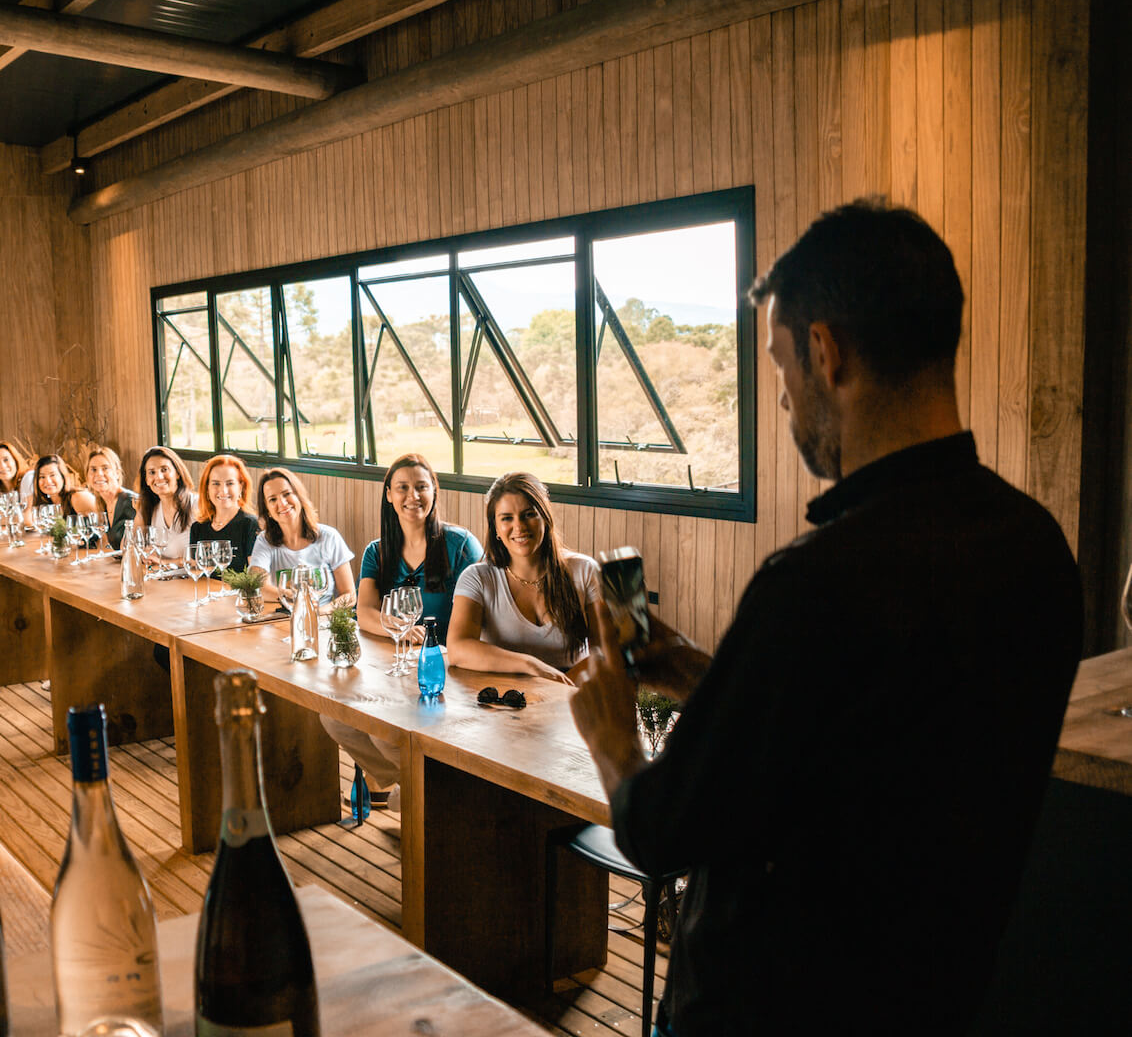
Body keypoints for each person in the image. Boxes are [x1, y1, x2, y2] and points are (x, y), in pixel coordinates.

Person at [568, 200, 1082, 1036]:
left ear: (824, 351)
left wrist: (612, 733)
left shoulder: (815, 585)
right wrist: (706, 675)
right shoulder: (1036, 549)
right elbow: (866, 738)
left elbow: (661, 831)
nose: (781, 398)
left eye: (779, 367)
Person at [323, 454, 483, 808]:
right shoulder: (377, 551)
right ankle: (410, 786)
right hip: (394, 666)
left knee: (386, 733)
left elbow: (479, 617)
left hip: (449, 670)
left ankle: (422, 797)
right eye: (403, 488)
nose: (413, 496)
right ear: (389, 495)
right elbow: (364, 611)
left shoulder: (460, 545)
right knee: (333, 717)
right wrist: (397, 628)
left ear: (434, 491)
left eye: (422, 486)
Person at [446, 472, 598, 682]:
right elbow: (458, 648)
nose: (519, 527)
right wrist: (531, 665)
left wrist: (560, 687)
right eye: (507, 518)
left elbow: (608, 652)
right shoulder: (477, 578)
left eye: (529, 514)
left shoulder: (585, 571)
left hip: (573, 692)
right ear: (495, 527)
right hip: (505, 696)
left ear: (545, 517)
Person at [249, 468, 354, 607]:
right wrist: (295, 597)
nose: (282, 503)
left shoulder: (329, 537)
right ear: (267, 510)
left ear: (299, 496)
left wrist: (321, 612)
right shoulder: (264, 540)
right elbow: (257, 587)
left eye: (287, 494)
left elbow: (349, 595)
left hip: (326, 616)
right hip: (286, 617)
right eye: (273, 499)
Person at [188, 455, 260, 574]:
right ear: (207, 488)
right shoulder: (198, 528)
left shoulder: (250, 525)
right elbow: (195, 574)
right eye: (216, 483)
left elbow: (256, 579)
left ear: (241, 487)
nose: (223, 491)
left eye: (230, 483)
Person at [135, 446, 197, 562]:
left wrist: (163, 561)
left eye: (164, 469)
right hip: (160, 574)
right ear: (147, 480)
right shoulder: (151, 508)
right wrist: (144, 554)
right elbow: (128, 546)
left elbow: (206, 559)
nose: (158, 477)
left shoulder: (196, 505)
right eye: (152, 472)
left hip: (191, 575)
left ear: (177, 473)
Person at [86, 445, 139, 549]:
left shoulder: (131, 501)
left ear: (117, 473)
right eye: (93, 469)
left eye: (105, 468)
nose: (99, 474)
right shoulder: (101, 503)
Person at [28, 454, 99, 518]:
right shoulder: (45, 504)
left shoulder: (78, 497)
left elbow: (102, 523)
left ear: (63, 477)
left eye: (52, 475)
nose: (48, 481)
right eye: (42, 477)